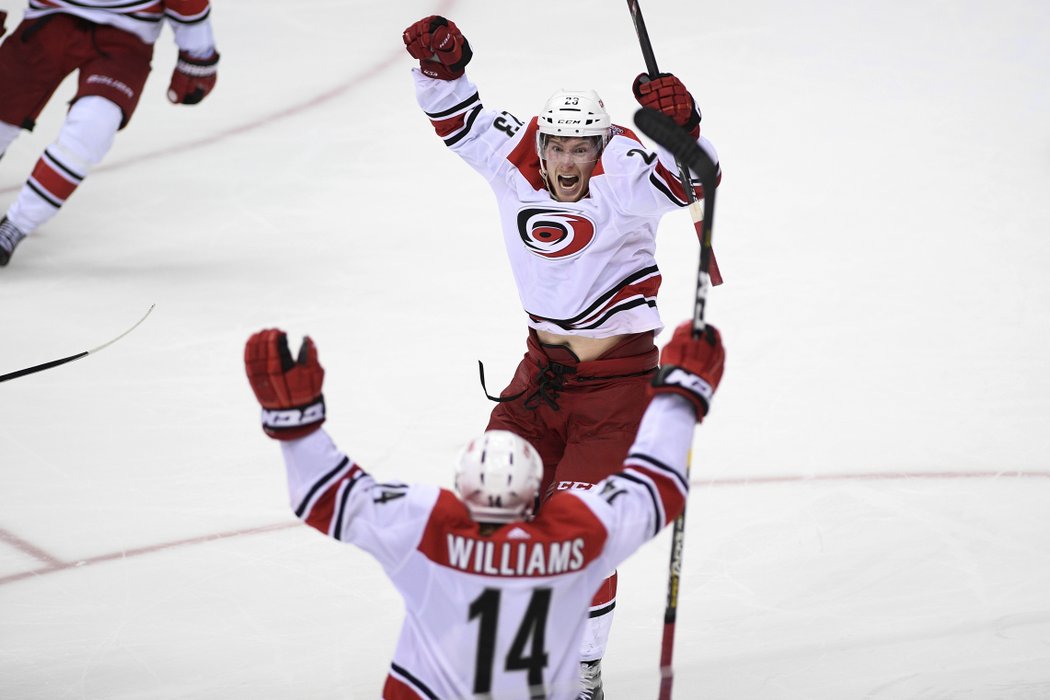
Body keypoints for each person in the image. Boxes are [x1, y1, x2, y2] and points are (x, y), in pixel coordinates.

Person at [402, 15, 721, 695]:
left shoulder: (628, 171)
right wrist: (441, 67)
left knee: (578, 535)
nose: (568, 163)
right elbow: (459, 116)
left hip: (617, 390)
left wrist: (685, 124)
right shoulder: (513, 156)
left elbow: (698, 179)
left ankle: (581, 672)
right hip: (539, 378)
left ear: (601, 145)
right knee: (491, 513)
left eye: (583, 149)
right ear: (541, 144)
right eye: (558, 148)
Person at [244, 319, 725, 700]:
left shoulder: (431, 523)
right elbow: (655, 487)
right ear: (538, 486)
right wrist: (681, 398)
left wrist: (296, 424)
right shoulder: (570, 537)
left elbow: (326, 494)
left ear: (461, 486)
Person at [0, 1, 220, 266]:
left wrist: (197, 55)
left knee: (93, 128)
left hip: (125, 40)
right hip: (49, 21)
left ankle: (14, 227)